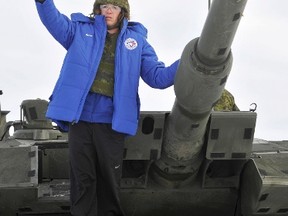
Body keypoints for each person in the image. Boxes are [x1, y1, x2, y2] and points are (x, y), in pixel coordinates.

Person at [34, 0, 179, 215]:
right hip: (80, 120)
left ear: (123, 12)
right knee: (82, 180)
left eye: (115, 6)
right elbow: (53, 20)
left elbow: (158, 77)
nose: (109, 10)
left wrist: (190, 61)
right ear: (98, 9)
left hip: (111, 123)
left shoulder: (137, 41)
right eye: (104, 5)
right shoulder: (79, 31)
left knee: (109, 182)